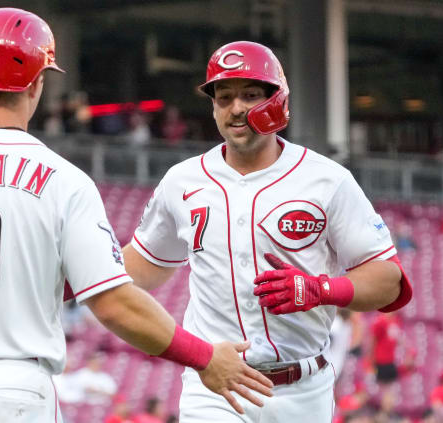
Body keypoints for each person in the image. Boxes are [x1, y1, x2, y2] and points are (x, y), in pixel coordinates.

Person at [0, 9, 272, 423]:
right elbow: (114, 303)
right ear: (35, 83)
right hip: (18, 389)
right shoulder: (65, 181)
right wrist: (204, 356)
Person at [122, 41, 412, 421]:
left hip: (303, 387)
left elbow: (390, 282)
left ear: (277, 100)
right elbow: (144, 263)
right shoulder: (182, 180)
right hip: (216, 385)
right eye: (223, 97)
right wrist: (74, 273)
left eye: (250, 94)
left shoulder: (327, 179)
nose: (236, 107)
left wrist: (320, 290)